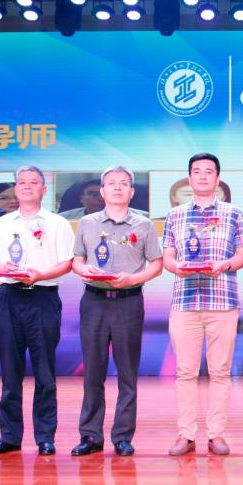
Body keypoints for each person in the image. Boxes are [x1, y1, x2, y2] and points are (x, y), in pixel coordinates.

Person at [0, 166, 75, 456]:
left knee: (45, 371)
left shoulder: (57, 223)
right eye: (22, 182)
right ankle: (9, 437)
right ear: (16, 189)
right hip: (9, 298)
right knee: (10, 372)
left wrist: (40, 274)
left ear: (44, 190)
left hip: (43, 298)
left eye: (34, 182)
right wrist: (3, 268)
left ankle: (45, 437)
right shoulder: (1, 224)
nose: (27, 186)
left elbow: (66, 263)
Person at [70, 166, 163, 457]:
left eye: (124, 183)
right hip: (94, 301)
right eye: (111, 183)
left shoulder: (144, 225)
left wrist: (133, 279)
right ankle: (90, 436)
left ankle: (122, 436)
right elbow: (77, 260)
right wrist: (83, 269)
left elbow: (157, 264)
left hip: (128, 302)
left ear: (132, 192)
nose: (118, 188)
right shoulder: (87, 223)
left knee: (127, 372)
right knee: (92, 371)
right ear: (102, 191)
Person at [161, 153, 243, 456]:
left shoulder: (233, 213)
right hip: (185, 302)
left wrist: (225, 265)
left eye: (208, 171)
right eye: (196, 171)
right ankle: (186, 435)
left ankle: (216, 434)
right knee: (185, 373)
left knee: (220, 372)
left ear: (217, 178)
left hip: (222, 301)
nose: (202, 176)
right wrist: (177, 267)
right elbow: (168, 256)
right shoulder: (175, 215)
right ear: (189, 178)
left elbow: (242, 254)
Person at [60, 178, 149, 220]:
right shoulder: (63, 219)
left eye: (105, 194)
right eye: (94, 194)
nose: (100, 199)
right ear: (82, 198)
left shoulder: (145, 218)